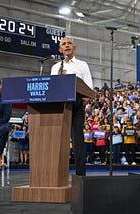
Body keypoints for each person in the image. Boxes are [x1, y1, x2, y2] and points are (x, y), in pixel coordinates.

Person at [51, 36, 93, 176]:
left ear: (74, 48)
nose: (67, 45)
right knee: (58, 141)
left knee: (77, 141)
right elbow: (51, 89)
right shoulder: (56, 67)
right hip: (59, 107)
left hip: (76, 106)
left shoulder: (82, 65)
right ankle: (55, 174)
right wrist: (58, 78)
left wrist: (81, 102)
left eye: (69, 43)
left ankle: (80, 175)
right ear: (60, 49)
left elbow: (89, 89)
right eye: (64, 44)